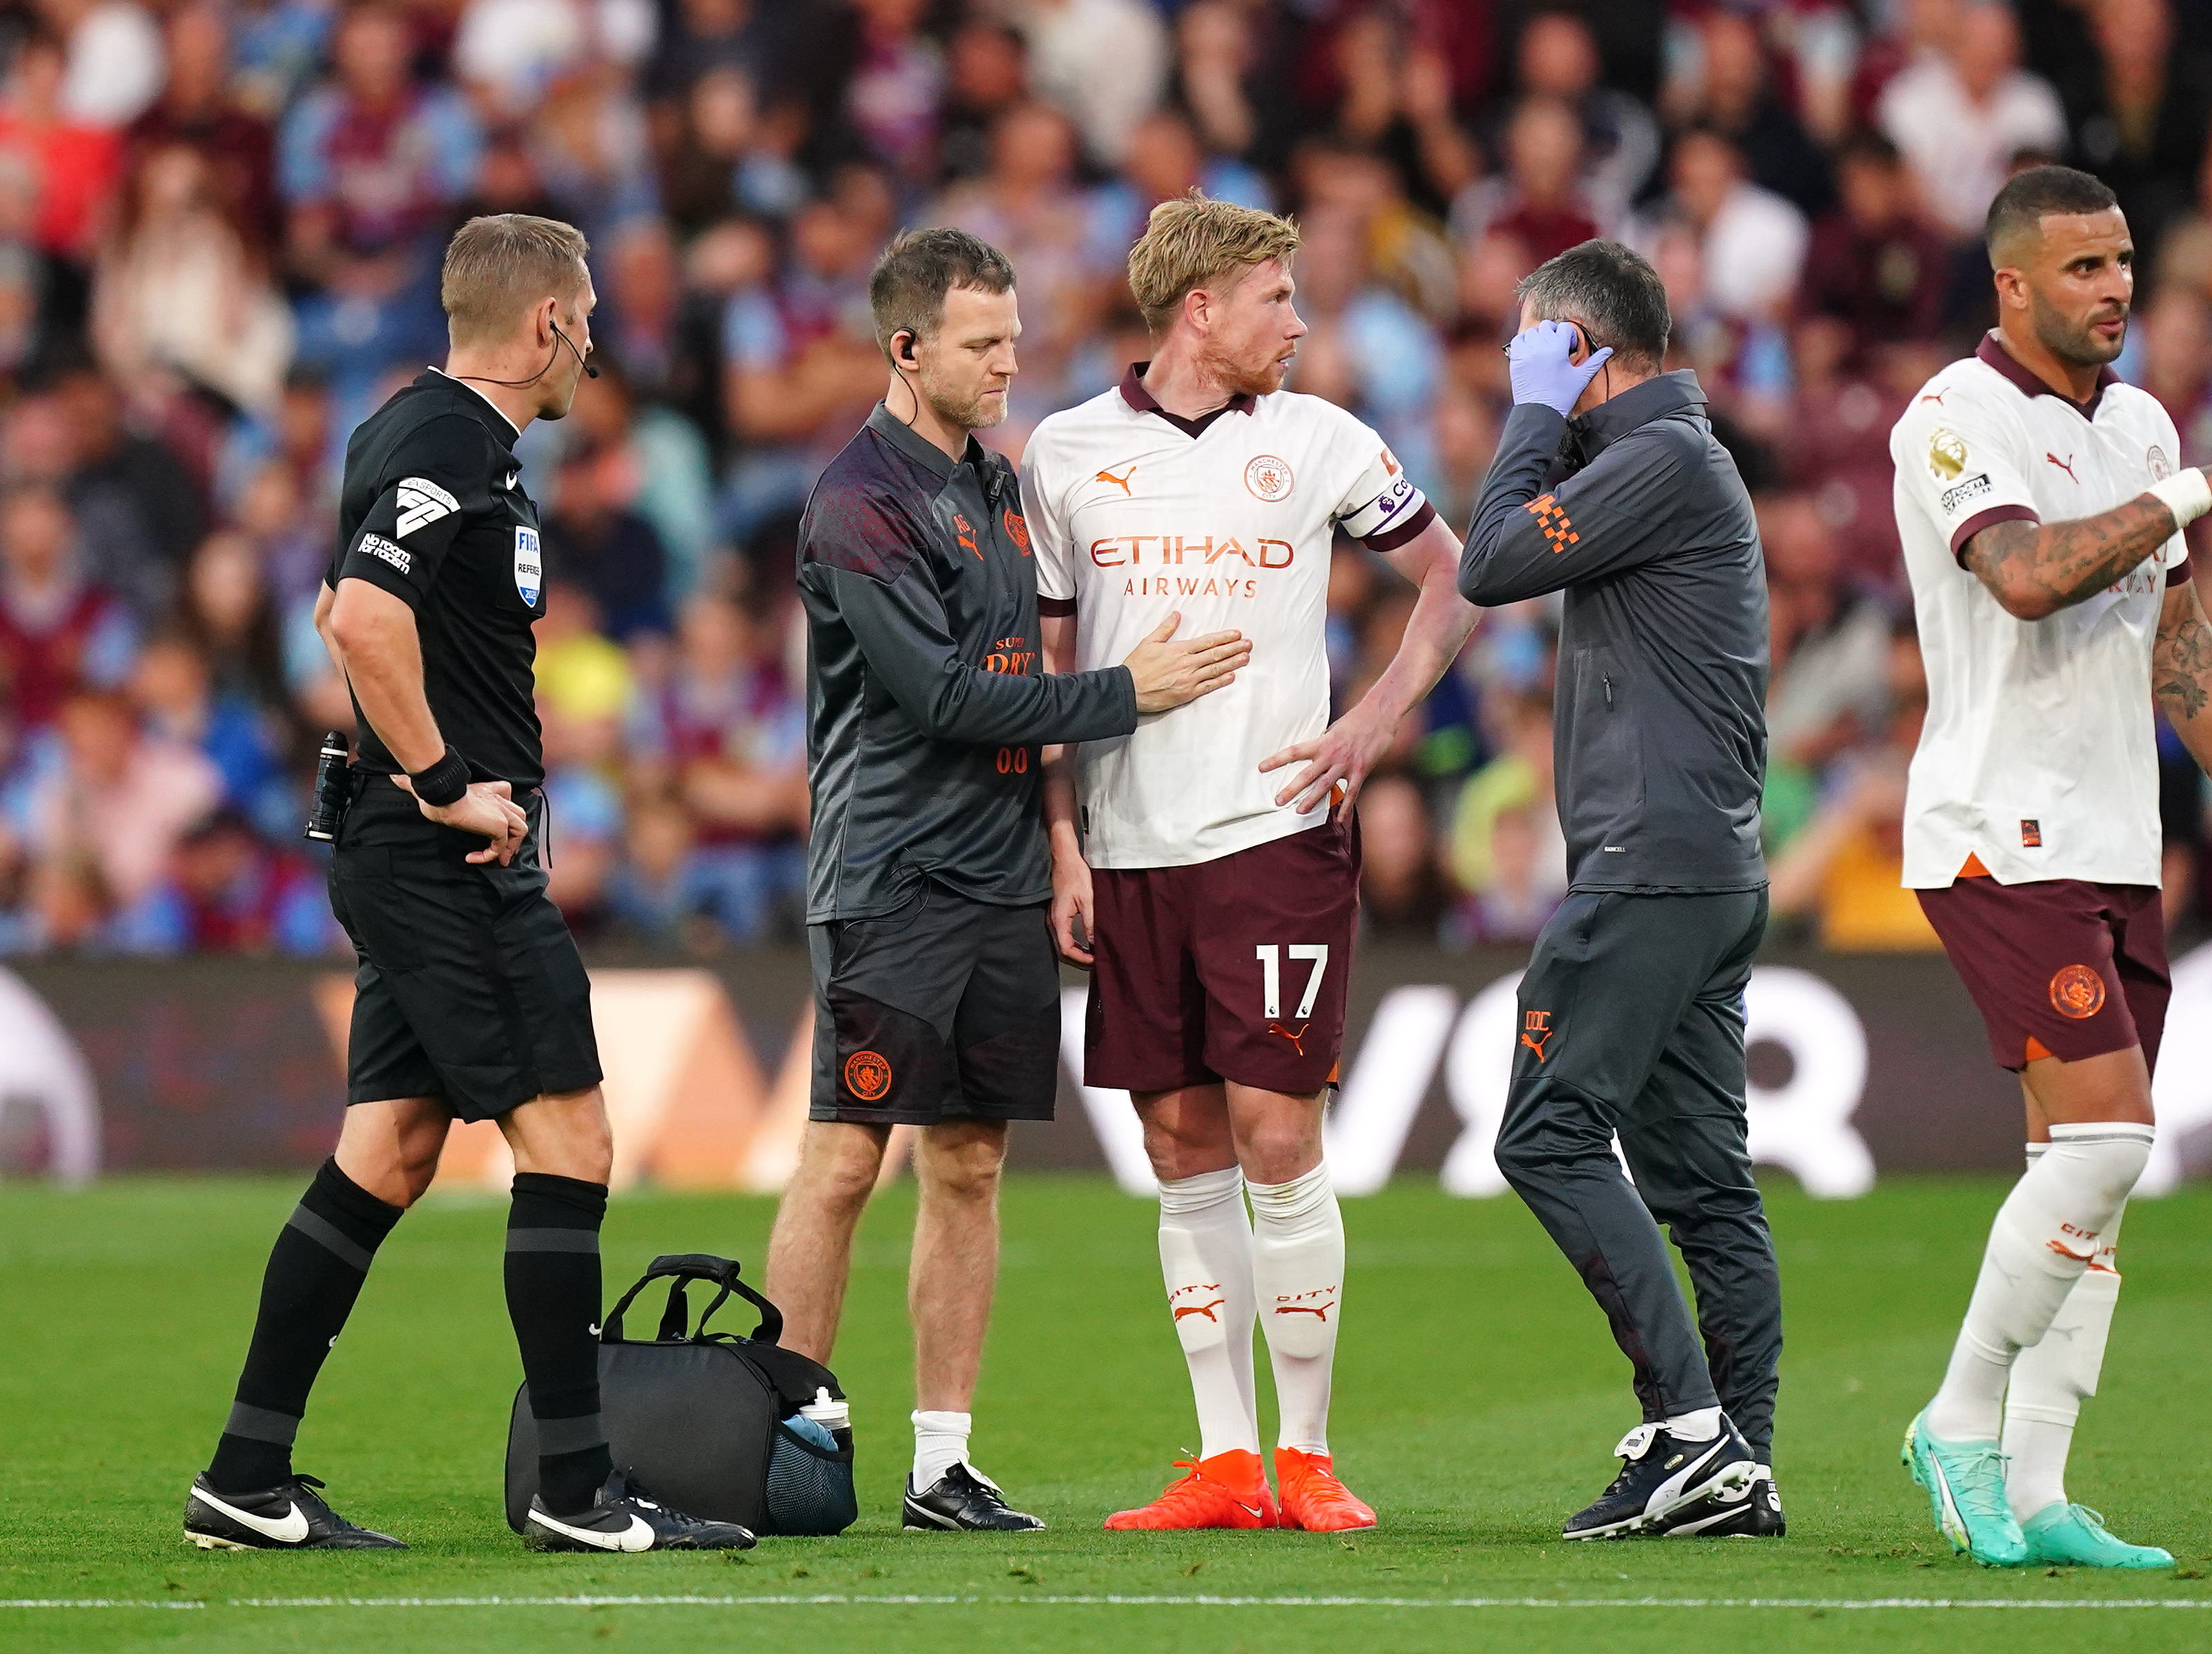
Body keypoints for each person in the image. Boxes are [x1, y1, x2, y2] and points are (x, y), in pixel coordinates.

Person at [181, 214, 754, 1555]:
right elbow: (362, 620)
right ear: (548, 323)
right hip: (447, 851)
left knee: (386, 1150)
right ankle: (578, 1488)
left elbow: (348, 606)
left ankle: (245, 1475)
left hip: (403, 844)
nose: (597, 340)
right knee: (573, 1142)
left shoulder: (413, 432)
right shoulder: (445, 441)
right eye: (590, 314)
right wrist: (443, 779)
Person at [763, 226, 1250, 1534]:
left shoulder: (993, 481)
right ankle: (778, 1431)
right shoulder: (857, 499)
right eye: (983, 342)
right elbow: (938, 696)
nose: (1009, 360)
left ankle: (940, 1461)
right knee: (845, 1156)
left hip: (991, 881)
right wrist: (1127, 694)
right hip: (889, 871)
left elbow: (1014, 680)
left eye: (1014, 335)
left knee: (969, 1163)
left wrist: (1053, 848)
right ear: (906, 348)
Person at [1026, 193, 1476, 1533]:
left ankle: (1313, 1453)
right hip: (1124, 842)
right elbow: (1049, 667)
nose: (1299, 321)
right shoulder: (1065, 452)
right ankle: (1224, 1461)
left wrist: (1370, 720)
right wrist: (1061, 839)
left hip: (1273, 834)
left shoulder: (1320, 439)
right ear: (1199, 308)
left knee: (1279, 1130)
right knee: (1179, 1140)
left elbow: (1449, 577)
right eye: (1275, 298)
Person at [1890, 165, 2212, 1570]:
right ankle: (1954, 1420)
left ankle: (2041, 1485)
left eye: (2123, 260)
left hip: (2116, 836)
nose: (2117, 286)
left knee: (2088, 1175)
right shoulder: (1956, 415)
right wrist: (2199, 487)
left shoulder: (2137, 421)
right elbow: (2021, 574)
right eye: (2083, 268)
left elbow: (2173, 629)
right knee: (2110, 1139)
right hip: (1994, 829)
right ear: (2013, 284)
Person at [1456, 239, 1781, 1542]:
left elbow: (1489, 563)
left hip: (1648, 868)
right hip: (1701, 867)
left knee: (1541, 1135)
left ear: (1580, 348)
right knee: (1704, 1185)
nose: (1511, 366)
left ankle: (1692, 1431)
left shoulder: (1660, 459)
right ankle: (1738, 1461)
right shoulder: (1663, 461)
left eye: (1532, 344)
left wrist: (1534, 413)